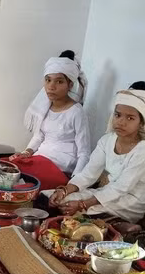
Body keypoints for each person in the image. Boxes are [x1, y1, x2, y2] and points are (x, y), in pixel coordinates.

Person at [48, 81, 145, 224]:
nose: (121, 122)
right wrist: (65, 191)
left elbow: (121, 188)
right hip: (108, 193)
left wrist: (83, 204)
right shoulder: (107, 140)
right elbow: (89, 173)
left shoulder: (143, 151)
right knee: (59, 200)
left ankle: (123, 226)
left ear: (141, 123)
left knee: (78, 214)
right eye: (118, 115)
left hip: (129, 203)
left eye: (130, 118)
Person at [9, 50, 89, 189]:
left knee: (20, 184)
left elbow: (84, 153)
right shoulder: (46, 106)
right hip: (40, 160)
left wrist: (73, 183)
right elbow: (39, 135)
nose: (51, 86)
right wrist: (26, 152)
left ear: (70, 85)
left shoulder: (76, 112)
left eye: (59, 81)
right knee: (6, 166)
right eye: (48, 80)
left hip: (60, 168)